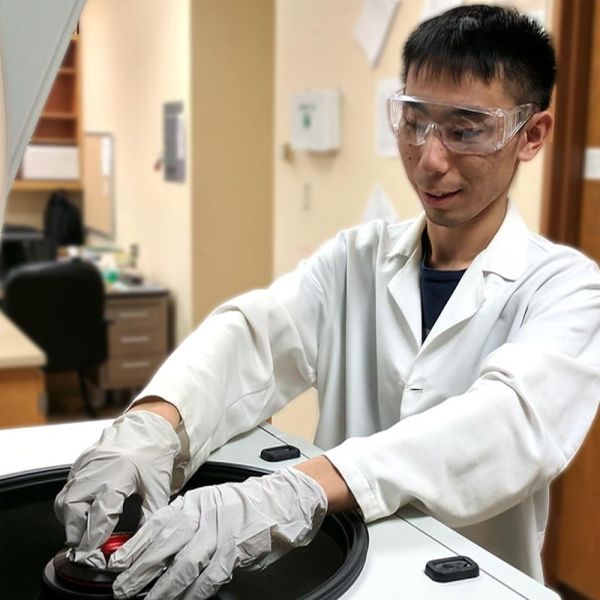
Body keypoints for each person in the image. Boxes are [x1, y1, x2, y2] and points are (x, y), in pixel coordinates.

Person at [55, 5, 600, 600]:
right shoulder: (355, 259)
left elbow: (508, 425)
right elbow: (254, 336)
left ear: (532, 135)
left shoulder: (566, 287)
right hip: (347, 577)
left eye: (465, 130)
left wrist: (304, 487)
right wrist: (156, 423)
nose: (430, 158)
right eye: (414, 122)